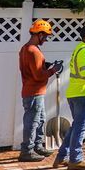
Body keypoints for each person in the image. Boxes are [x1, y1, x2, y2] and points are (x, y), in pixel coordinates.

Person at [53, 23, 85, 170]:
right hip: (83, 94)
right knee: (80, 127)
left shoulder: (79, 49)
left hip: (75, 93)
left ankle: (62, 157)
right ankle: (76, 159)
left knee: (76, 126)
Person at [18, 20, 63, 162]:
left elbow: (32, 69)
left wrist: (45, 65)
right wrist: (52, 70)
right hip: (34, 92)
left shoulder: (26, 48)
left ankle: (37, 146)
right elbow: (38, 76)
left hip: (32, 91)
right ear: (40, 34)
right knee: (32, 122)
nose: (46, 39)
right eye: (46, 36)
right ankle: (27, 150)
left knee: (40, 119)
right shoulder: (34, 51)